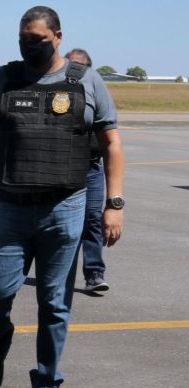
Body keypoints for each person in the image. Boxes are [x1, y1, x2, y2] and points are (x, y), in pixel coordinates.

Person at [0, 6, 124, 388]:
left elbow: (112, 144)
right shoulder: (4, 79)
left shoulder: (87, 81)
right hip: (9, 207)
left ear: (58, 36)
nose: (29, 44)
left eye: (38, 39)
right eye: (23, 37)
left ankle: (46, 384)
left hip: (65, 208)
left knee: (54, 304)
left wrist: (113, 204)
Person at [65, 48, 109, 293]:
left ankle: (94, 273)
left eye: (79, 66)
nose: (74, 69)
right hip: (64, 167)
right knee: (64, 222)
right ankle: (61, 269)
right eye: (70, 65)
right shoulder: (56, 94)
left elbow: (110, 136)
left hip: (91, 167)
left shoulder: (96, 93)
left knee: (92, 218)